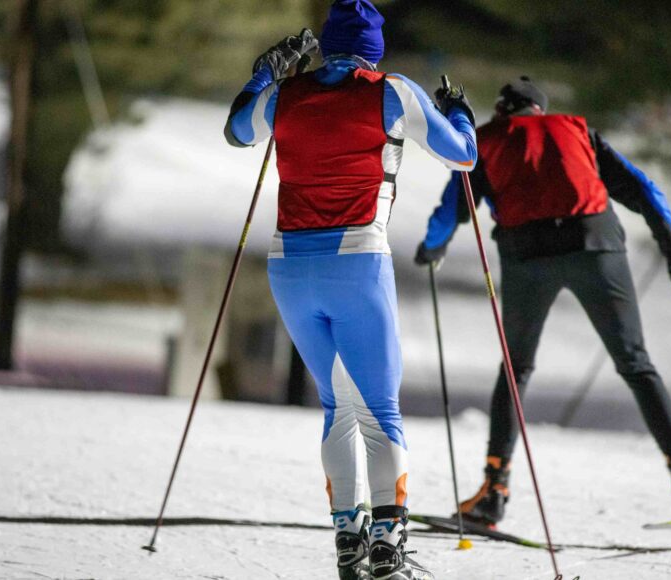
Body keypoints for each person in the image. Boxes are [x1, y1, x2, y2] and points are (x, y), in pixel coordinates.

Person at [224, 2, 477, 577]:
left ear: (328, 44)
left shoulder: (288, 94)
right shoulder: (392, 91)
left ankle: (347, 534)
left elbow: (237, 130)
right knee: (380, 411)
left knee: (338, 408)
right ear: (374, 48)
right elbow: (464, 155)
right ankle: (387, 537)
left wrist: (266, 73)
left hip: (290, 266)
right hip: (357, 262)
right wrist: (458, 110)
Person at [414, 76, 671, 528]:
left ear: (503, 111)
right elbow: (644, 191)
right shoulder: (578, 131)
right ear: (541, 111)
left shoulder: (488, 140)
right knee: (635, 362)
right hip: (595, 244)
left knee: (516, 368)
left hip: (527, 255)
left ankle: (494, 491)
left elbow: (452, 208)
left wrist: (432, 248)